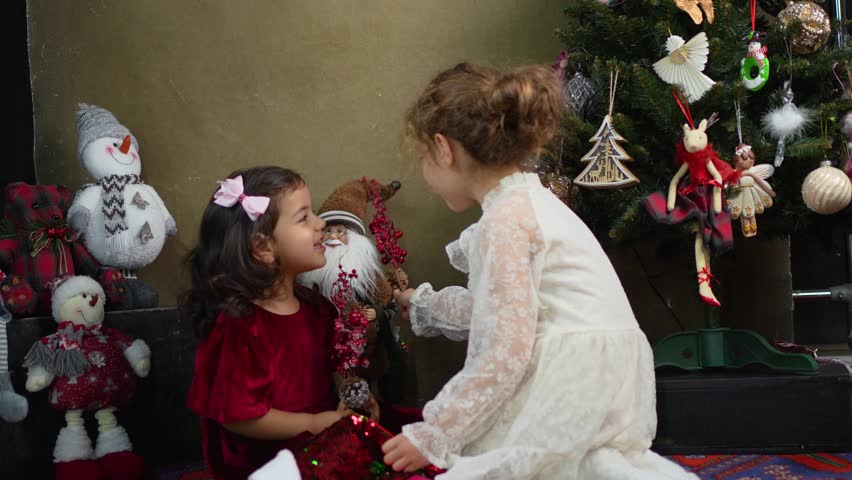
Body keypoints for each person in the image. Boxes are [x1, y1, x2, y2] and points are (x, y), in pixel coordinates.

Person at [382, 62, 699, 480]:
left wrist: (434, 432)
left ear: (444, 149)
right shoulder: (532, 203)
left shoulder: (504, 223)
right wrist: (421, 303)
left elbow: (505, 350)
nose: (425, 175)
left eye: (424, 158)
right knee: (589, 467)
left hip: (568, 377)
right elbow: (496, 308)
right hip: (607, 373)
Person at [181, 166, 377, 480]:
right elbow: (237, 416)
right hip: (263, 465)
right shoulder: (240, 326)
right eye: (304, 217)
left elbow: (330, 372)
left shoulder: (317, 309)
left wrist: (353, 397)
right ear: (263, 247)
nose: (321, 223)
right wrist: (314, 424)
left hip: (318, 451)